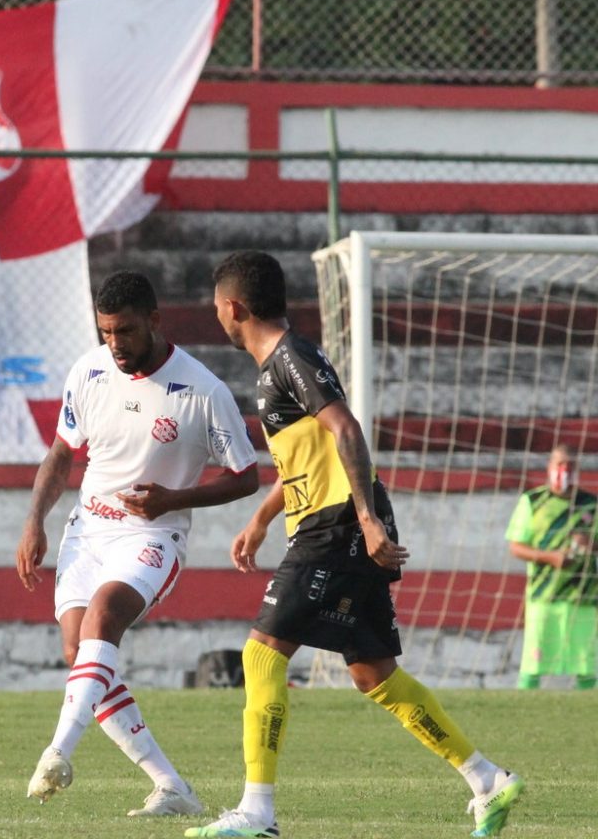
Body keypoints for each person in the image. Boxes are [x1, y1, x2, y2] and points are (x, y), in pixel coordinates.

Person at [189, 250, 523, 839]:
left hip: (338, 525)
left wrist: (367, 520)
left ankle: (257, 813)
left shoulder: (290, 356)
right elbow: (312, 455)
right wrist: (265, 516)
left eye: (217, 307)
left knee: (262, 654)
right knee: (375, 675)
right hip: (332, 519)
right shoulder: (278, 366)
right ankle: (486, 779)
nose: (217, 316)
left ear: (233, 307)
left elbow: (346, 429)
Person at [15, 270, 260, 817]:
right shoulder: (89, 371)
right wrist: (35, 520)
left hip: (154, 534)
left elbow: (246, 476)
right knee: (80, 655)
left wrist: (173, 500)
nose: (115, 344)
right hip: (88, 530)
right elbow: (60, 454)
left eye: (125, 331)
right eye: (106, 332)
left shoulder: (202, 391)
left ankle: (58, 750)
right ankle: (171, 787)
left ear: (153, 320)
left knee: (103, 617)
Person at [506, 443, 598, 690]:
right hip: (543, 594)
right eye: (560, 464)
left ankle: (589, 716)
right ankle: (522, 711)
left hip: (584, 597)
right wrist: (551, 557)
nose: (565, 470)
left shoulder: (591, 503)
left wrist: (591, 544)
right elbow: (515, 546)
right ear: (550, 467)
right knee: (533, 664)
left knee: (586, 665)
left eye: (570, 466)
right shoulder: (532, 501)